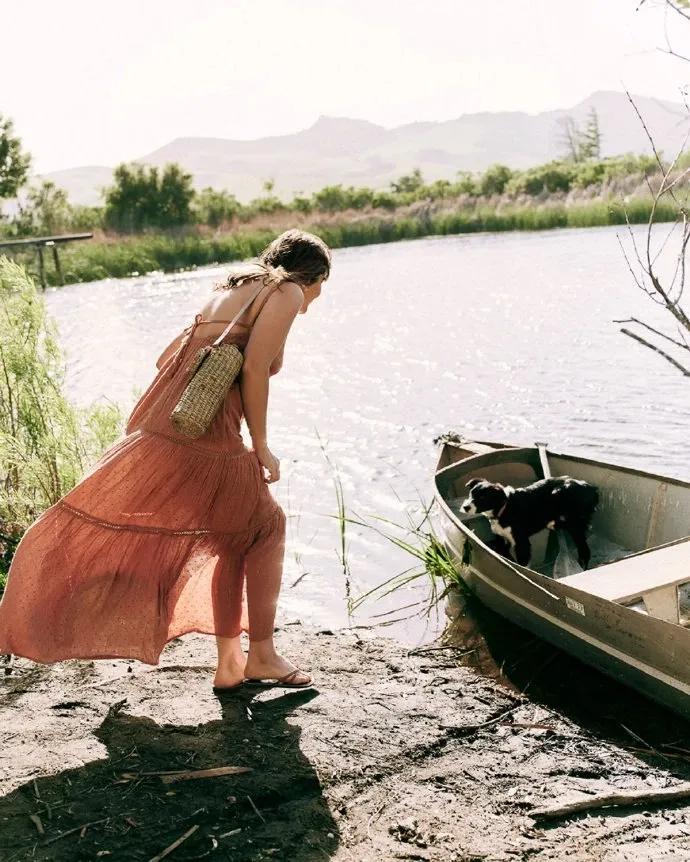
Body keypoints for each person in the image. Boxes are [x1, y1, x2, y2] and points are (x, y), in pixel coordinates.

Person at [0, 229, 331, 691]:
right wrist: (261, 445)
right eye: (320, 289)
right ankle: (261, 655)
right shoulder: (286, 289)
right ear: (311, 274)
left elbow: (164, 360)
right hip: (206, 436)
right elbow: (256, 368)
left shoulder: (231, 289)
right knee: (265, 527)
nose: (312, 302)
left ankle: (233, 664)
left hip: (167, 423)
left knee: (236, 537)